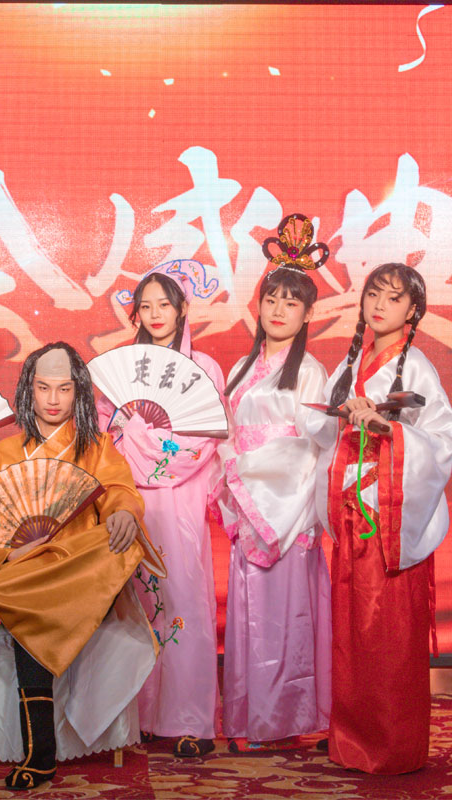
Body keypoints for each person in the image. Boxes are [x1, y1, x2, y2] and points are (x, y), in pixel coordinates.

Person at [0, 342, 165, 790]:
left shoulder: (96, 447)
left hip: (78, 578)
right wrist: (8, 555)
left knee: (100, 544)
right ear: (28, 391)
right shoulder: (2, 454)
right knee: (27, 597)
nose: (54, 399)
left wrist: (124, 511)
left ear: (79, 393)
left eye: (64, 389)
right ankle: (40, 753)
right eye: (43, 388)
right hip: (26, 580)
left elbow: (119, 488)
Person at [308, 262, 452, 774]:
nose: (380, 306)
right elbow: (322, 432)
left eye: (393, 298)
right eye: (373, 295)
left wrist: (390, 430)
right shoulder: (353, 362)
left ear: (413, 310)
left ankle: (392, 746)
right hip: (354, 512)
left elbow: (441, 441)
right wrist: (340, 415)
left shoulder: (418, 367)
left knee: (388, 632)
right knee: (352, 632)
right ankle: (351, 738)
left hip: (390, 519)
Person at [211, 214, 331, 752]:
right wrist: (232, 472)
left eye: (292, 302)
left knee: (286, 620)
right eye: (271, 299)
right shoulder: (241, 366)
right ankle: (251, 719)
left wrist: (249, 474)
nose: (279, 310)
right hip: (249, 507)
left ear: (308, 314)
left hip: (286, 510)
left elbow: (310, 448)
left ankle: (284, 718)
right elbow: (226, 433)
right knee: (250, 621)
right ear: (258, 305)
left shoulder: (311, 371)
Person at [96, 264, 223, 758]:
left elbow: (200, 444)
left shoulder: (205, 368)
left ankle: (190, 720)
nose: (154, 314)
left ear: (182, 308)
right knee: (136, 601)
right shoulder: (120, 369)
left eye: (163, 305)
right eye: (145, 306)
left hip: (181, 499)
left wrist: (139, 436)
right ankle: (141, 716)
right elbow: (103, 435)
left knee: (184, 599)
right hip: (130, 499)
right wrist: (127, 436)